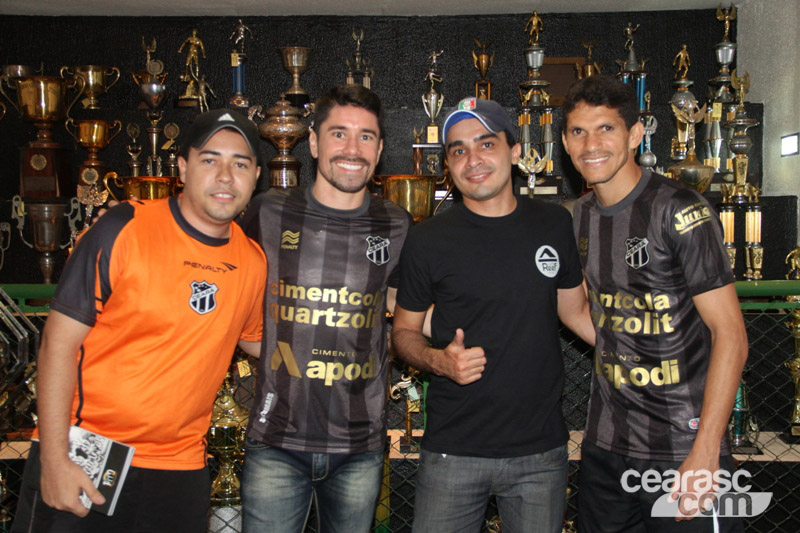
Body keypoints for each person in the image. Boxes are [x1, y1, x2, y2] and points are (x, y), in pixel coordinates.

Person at [11, 109, 267, 533]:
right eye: (209, 159)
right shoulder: (123, 228)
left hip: (180, 469)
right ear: (182, 168)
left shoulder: (253, 261)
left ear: (256, 175)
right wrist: (54, 460)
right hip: (86, 451)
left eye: (240, 164)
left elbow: (260, 343)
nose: (226, 175)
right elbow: (57, 344)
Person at [391, 97, 595, 532]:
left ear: (515, 151)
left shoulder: (553, 224)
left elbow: (577, 312)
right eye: (459, 150)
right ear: (448, 164)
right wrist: (438, 361)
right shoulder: (427, 240)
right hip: (452, 451)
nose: (473, 160)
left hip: (539, 454)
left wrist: (652, 345)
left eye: (486, 144)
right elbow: (404, 332)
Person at [561, 74, 748, 532]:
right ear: (565, 142)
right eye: (579, 132)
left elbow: (732, 335)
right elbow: (574, 311)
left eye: (606, 128)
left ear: (636, 133)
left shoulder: (680, 209)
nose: (591, 144)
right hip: (606, 449)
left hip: (684, 448)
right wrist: (621, 345)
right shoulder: (575, 219)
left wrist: (706, 449)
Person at [239, 84, 412, 533]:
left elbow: (400, 305)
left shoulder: (396, 224)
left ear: (379, 151)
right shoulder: (267, 211)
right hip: (275, 442)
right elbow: (226, 277)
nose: (352, 149)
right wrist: (260, 343)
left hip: (359, 447)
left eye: (366, 137)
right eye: (339, 134)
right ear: (313, 142)